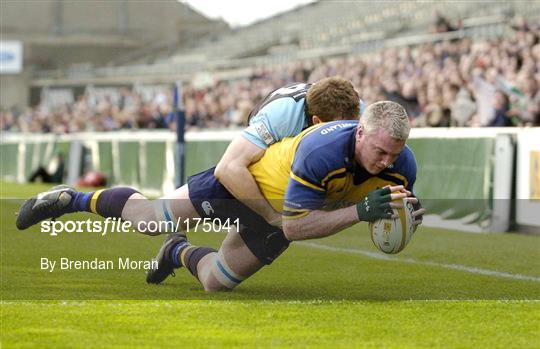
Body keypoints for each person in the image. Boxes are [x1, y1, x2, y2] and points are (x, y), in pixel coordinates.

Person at [16, 101, 425, 292]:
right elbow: (297, 227)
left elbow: (388, 209)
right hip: (240, 187)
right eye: (379, 151)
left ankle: (175, 252)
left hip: (282, 214)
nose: (385, 160)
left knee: (217, 281)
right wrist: (359, 212)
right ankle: (72, 199)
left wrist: (403, 215)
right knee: (149, 220)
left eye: (393, 153)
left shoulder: (402, 164)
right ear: (359, 132)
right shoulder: (320, 150)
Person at [214, 77, 363, 227]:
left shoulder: (357, 109)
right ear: (317, 122)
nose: (346, 134)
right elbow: (228, 168)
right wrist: (272, 217)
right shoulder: (282, 116)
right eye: (340, 129)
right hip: (269, 154)